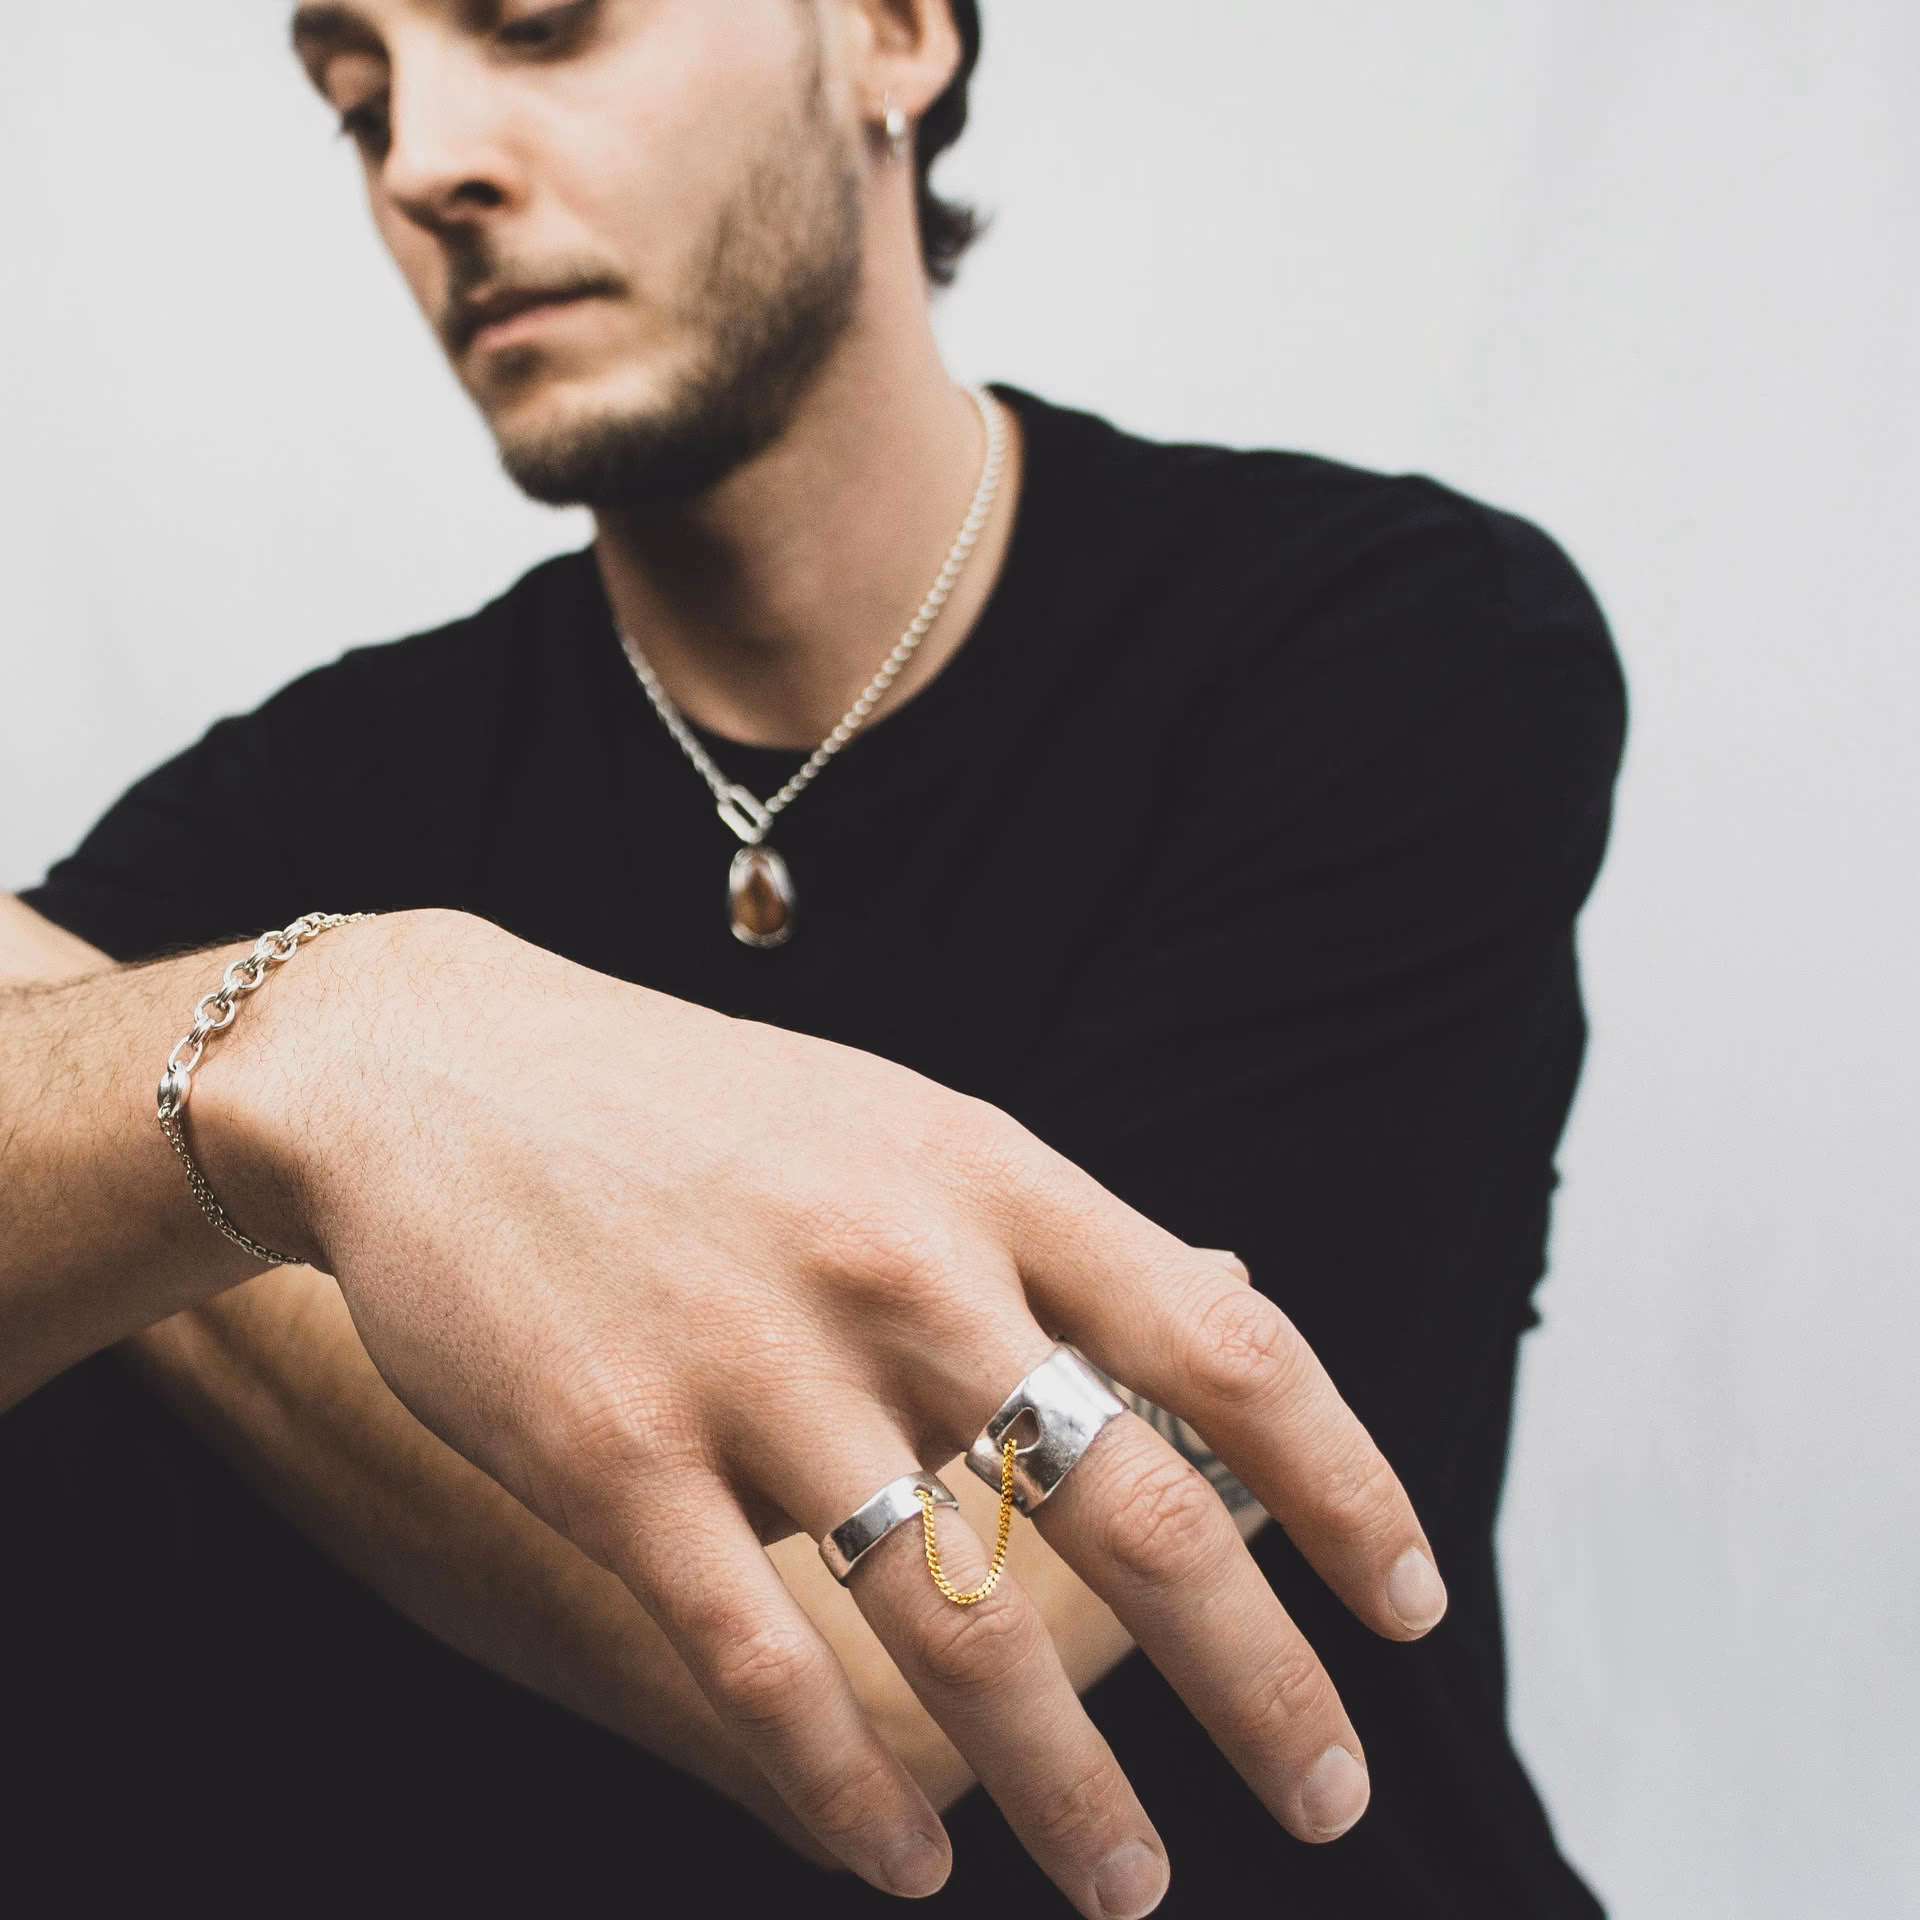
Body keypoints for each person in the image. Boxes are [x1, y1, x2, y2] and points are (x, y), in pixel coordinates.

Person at [0, 1, 1624, 1913]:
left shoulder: (1388, 655)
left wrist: (244, 1122)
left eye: (540, 25)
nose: (424, 160)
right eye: (359, 103)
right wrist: (320, 1058)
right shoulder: (311, 809)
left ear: (890, 35)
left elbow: (916, 1659)